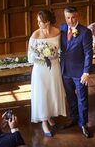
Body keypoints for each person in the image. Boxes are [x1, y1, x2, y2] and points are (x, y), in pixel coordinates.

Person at [28, 9, 67, 137]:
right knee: (42, 93)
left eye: (40, 22)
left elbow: (62, 50)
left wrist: (52, 54)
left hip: (54, 66)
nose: (38, 24)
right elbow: (30, 56)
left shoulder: (57, 32)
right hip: (40, 69)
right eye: (38, 21)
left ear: (47, 22)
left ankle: (49, 116)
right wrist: (40, 55)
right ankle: (44, 122)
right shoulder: (35, 35)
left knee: (51, 92)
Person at [59, 6, 93, 138]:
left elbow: (88, 54)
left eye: (73, 17)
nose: (70, 20)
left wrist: (86, 72)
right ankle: (73, 118)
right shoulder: (62, 28)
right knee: (70, 97)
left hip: (79, 73)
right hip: (65, 70)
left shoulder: (85, 32)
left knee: (82, 98)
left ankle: (83, 123)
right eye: (68, 17)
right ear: (65, 17)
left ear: (77, 16)